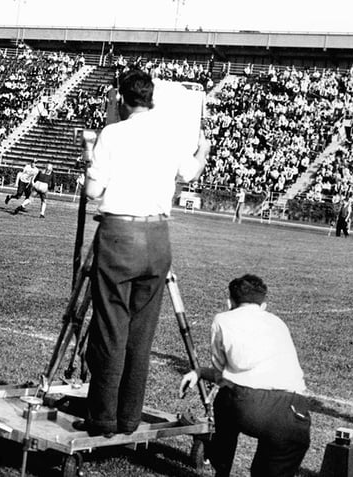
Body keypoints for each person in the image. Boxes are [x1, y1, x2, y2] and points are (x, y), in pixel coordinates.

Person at [73, 69, 209, 437]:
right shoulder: (168, 132)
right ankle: (129, 418)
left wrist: (89, 154)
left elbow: (93, 191)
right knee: (140, 335)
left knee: (110, 329)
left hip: (121, 234)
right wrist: (204, 146)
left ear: (121, 99)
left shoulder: (113, 134)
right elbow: (191, 170)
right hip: (159, 236)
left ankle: (103, 418)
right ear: (151, 99)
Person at [179, 275, 311, 477]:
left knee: (225, 395)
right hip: (296, 413)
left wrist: (199, 372)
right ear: (264, 305)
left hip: (249, 406)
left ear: (229, 301)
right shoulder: (278, 323)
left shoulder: (223, 319)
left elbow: (222, 376)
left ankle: (220, 463)